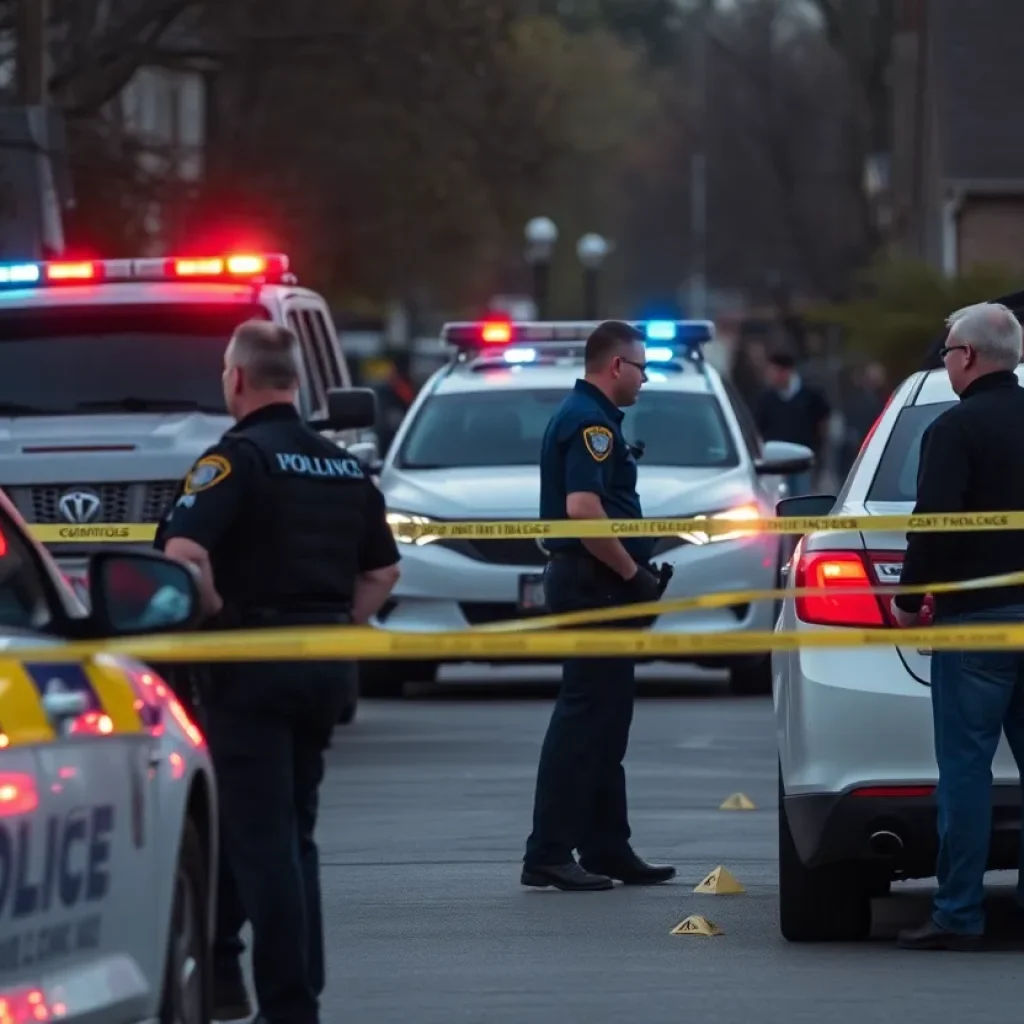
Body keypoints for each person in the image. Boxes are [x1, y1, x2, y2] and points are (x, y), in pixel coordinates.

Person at [158, 320, 401, 1022]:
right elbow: (383, 570)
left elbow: (185, 553)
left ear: (236, 379)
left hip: (249, 663)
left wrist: (210, 613)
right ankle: (254, 980)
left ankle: (289, 1005)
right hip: (324, 666)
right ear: (295, 380)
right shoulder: (342, 464)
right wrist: (337, 631)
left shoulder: (234, 461)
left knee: (262, 839)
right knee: (291, 830)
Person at [522, 320, 676, 892]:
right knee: (585, 720)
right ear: (616, 366)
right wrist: (631, 572)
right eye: (641, 368)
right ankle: (549, 852)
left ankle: (607, 846)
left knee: (607, 721)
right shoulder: (590, 423)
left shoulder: (594, 418)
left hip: (596, 582)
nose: (644, 379)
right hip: (594, 585)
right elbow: (584, 509)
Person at [891, 302, 1024, 951]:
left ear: (967, 356)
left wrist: (909, 597)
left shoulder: (955, 428)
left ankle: (959, 913)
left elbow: (935, 523)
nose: (945, 362)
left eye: (947, 353)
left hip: (978, 623)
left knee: (967, 769)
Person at [754, 349, 831, 495]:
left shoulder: (810, 395)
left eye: (773, 371)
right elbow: (759, 428)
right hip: (775, 463)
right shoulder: (767, 399)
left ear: (786, 371)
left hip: (802, 461)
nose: (770, 376)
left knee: (801, 499)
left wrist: (819, 449)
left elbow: (823, 423)